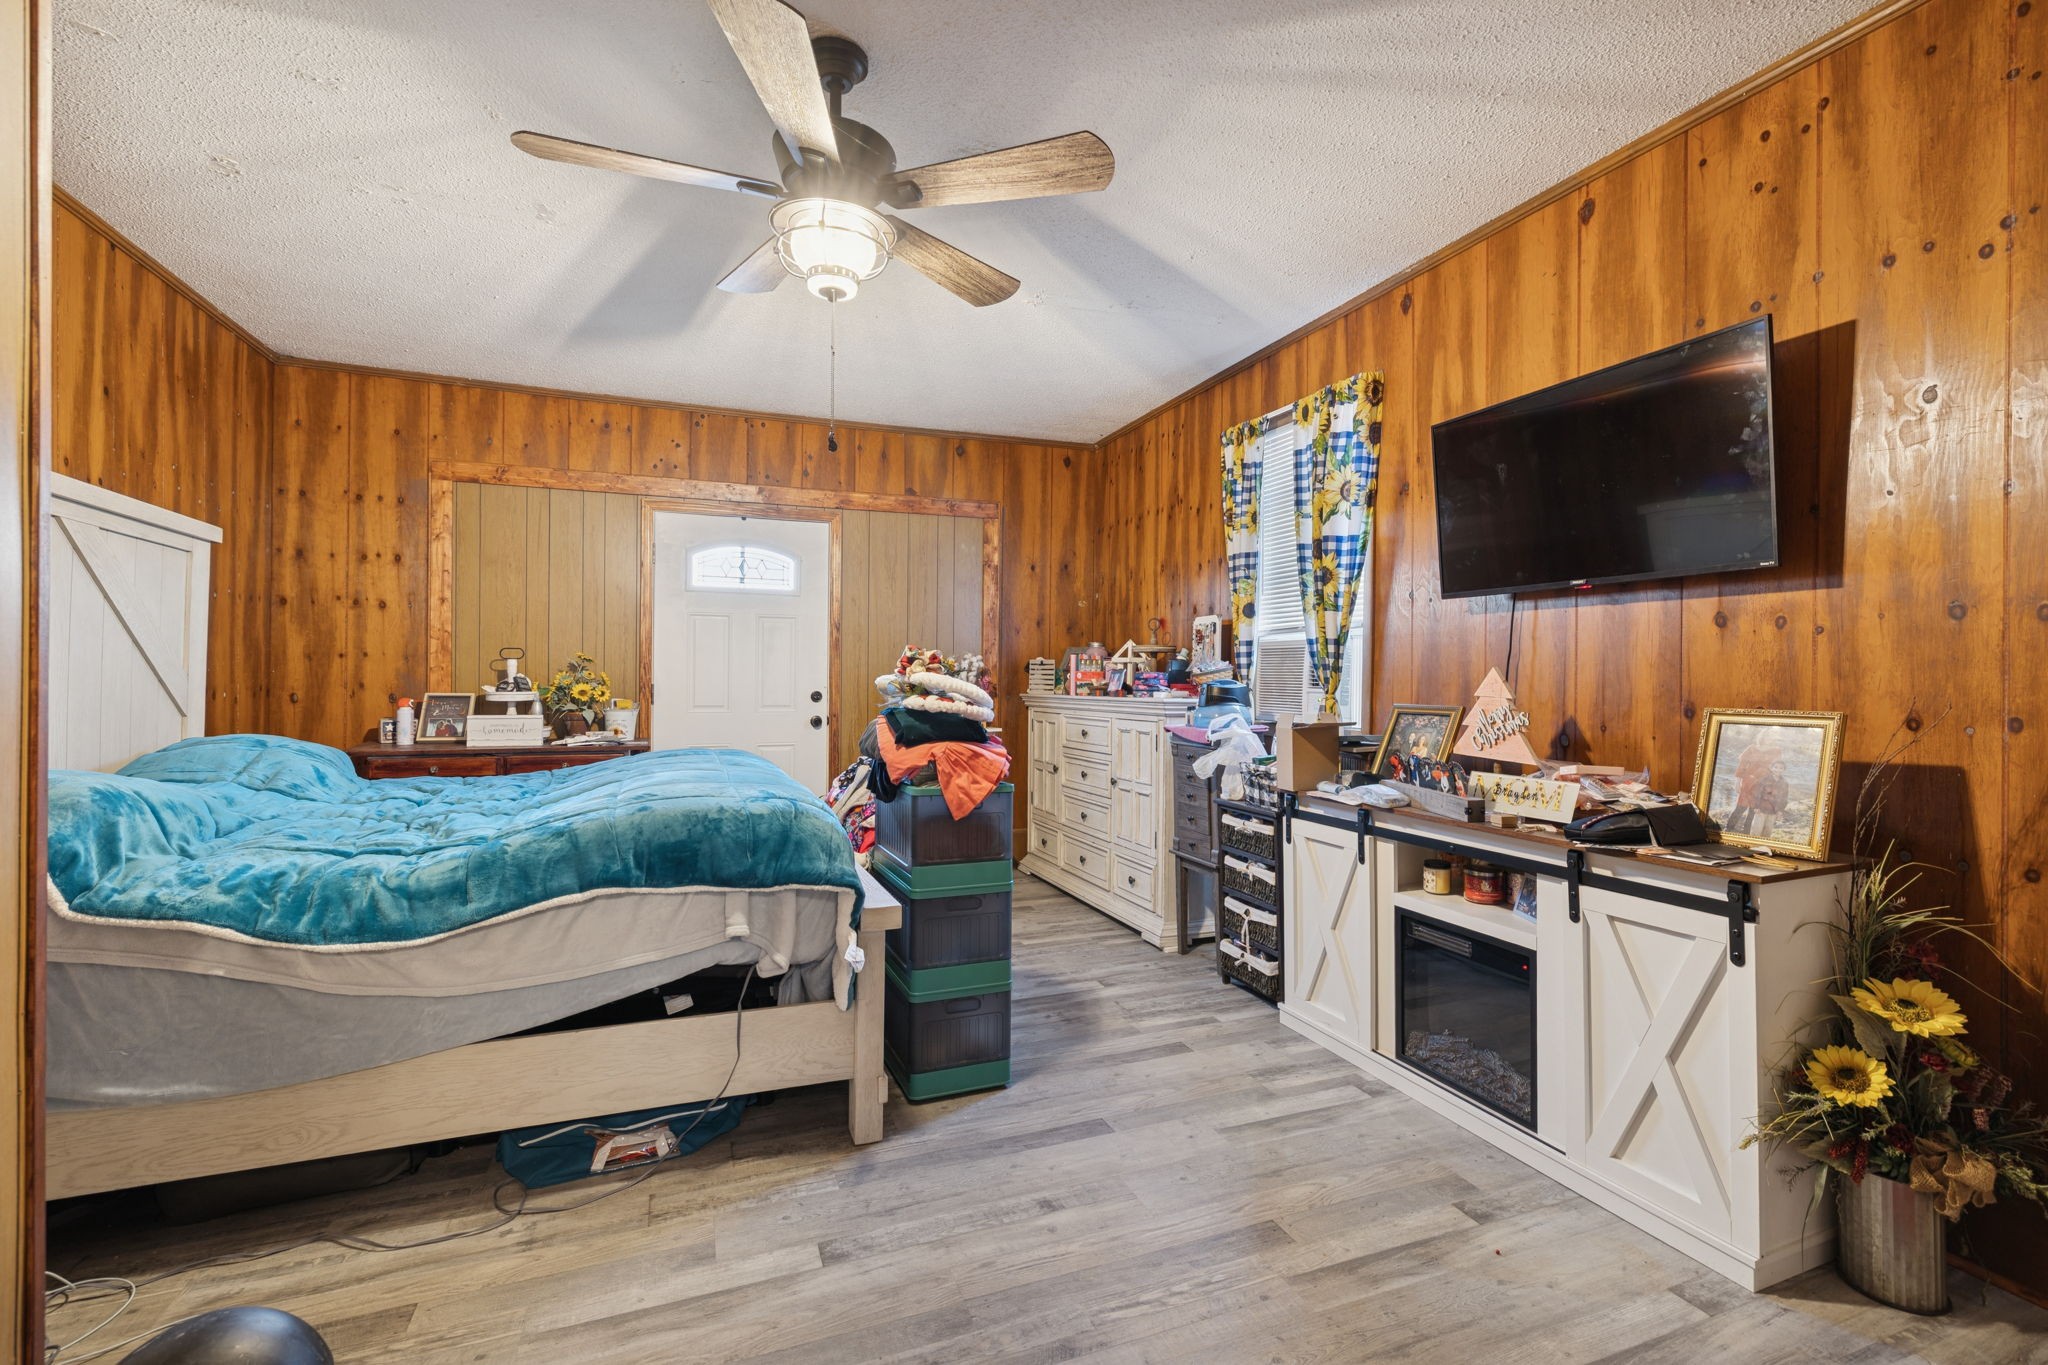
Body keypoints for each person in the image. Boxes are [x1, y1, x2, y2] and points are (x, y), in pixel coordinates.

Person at [1724, 738, 1782, 834]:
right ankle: (1728, 829)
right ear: (1763, 736)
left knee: (1754, 809)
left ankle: (1746, 832)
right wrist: (1737, 782)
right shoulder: (1752, 748)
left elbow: (1778, 769)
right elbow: (1742, 765)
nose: (1769, 738)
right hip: (1748, 782)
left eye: (1773, 735)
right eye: (1768, 735)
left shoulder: (1776, 751)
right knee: (1740, 807)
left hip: (1764, 784)